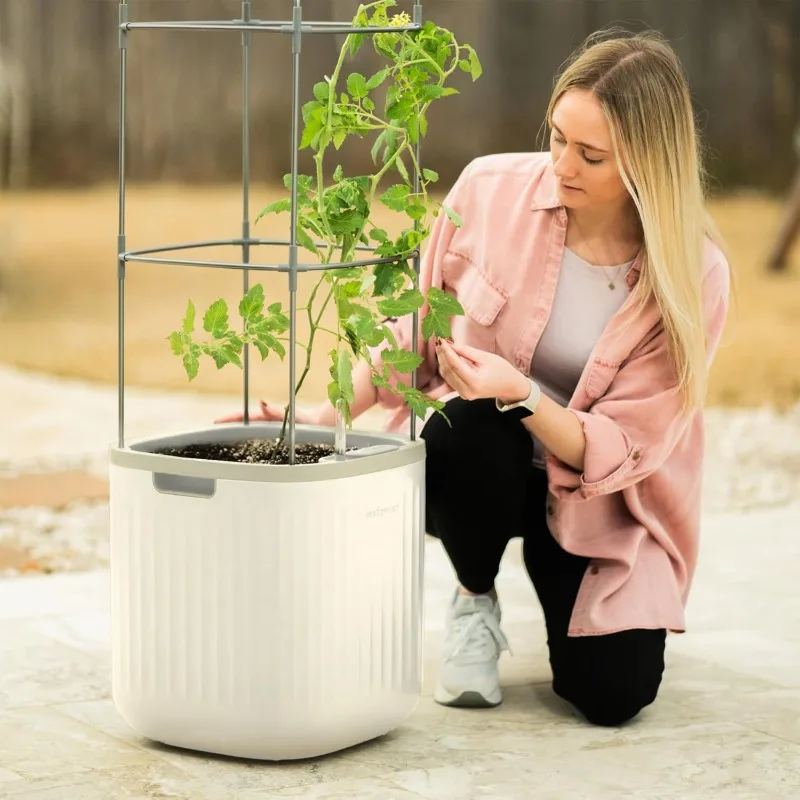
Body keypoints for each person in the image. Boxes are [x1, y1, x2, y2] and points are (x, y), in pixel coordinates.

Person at [219, 30, 731, 727]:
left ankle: (554, 582)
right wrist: (325, 411)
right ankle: (474, 593)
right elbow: (419, 329)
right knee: (474, 423)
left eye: (591, 155)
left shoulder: (692, 274)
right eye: (556, 137)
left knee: (614, 697)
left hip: (596, 500)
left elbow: (623, 445)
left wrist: (523, 392)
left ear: (648, 161)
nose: (561, 166)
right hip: (480, 468)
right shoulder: (490, 191)